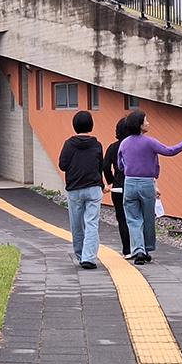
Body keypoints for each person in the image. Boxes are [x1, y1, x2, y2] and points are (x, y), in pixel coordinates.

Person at [117, 109, 182, 265]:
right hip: (147, 183)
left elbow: (120, 165)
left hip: (130, 183)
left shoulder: (124, 143)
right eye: (146, 121)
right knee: (148, 217)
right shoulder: (150, 142)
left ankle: (138, 250)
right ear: (140, 125)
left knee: (133, 219)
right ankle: (146, 249)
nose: (148, 123)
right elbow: (170, 151)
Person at [58, 110, 105, 269]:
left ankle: (80, 255)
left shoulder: (69, 144)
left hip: (75, 189)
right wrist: (102, 184)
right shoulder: (97, 144)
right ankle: (89, 257)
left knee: (77, 224)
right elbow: (100, 166)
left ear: (75, 125)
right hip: (93, 187)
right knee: (91, 223)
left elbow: (62, 165)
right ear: (91, 125)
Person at [102, 117, 132, 257]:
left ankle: (127, 250)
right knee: (136, 217)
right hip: (134, 184)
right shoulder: (135, 145)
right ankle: (139, 248)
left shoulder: (113, 147)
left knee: (122, 218)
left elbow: (105, 166)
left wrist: (111, 181)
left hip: (119, 186)